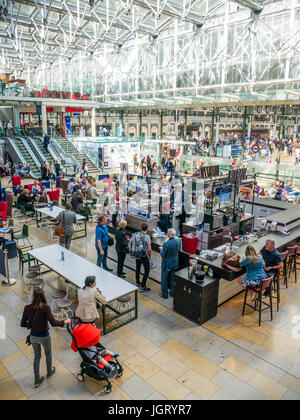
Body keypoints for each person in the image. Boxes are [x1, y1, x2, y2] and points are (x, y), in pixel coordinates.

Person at [20, 288, 71, 388]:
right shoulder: (46, 308)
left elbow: (22, 324)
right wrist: (64, 322)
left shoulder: (27, 308)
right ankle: (49, 371)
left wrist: (29, 325)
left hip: (33, 337)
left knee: (37, 357)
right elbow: (54, 322)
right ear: (43, 296)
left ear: (33, 296)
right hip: (44, 337)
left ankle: (37, 380)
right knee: (48, 354)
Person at [159, 229, 181, 299]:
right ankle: (172, 292)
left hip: (167, 264)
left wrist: (161, 249)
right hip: (175, 262)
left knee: (164, 279)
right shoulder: (178, 241)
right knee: (172, 278)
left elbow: (162, 254)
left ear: (168, 235)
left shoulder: (166, 244)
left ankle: (164, 294)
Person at [134, 223, 151, 292]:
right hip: (144, 255)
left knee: (138, 267)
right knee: (147, 270)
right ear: (147, 229)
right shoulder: (147, 237)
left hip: (137, 254)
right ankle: (143, 286)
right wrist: (149, 256)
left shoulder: (137, 234)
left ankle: (138, 282)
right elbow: (149, 249)